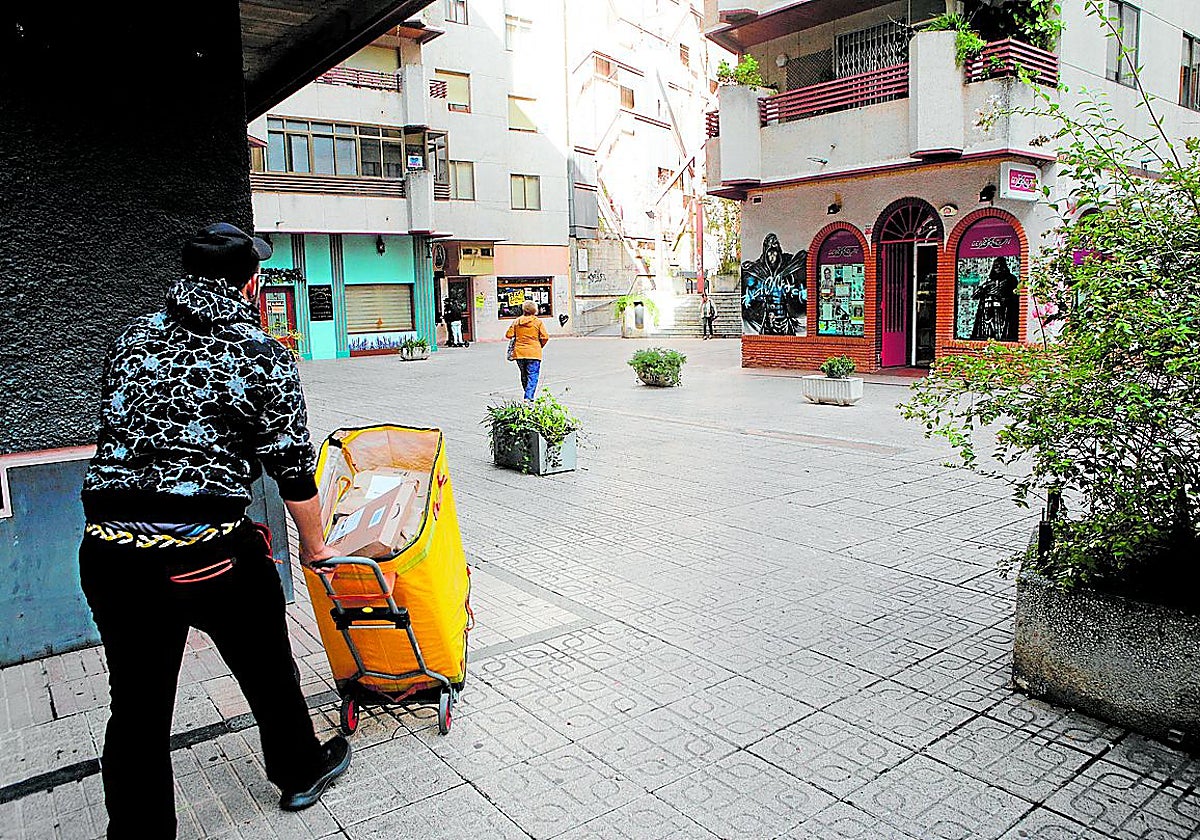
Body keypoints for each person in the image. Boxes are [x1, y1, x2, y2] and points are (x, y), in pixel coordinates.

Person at [78, 222, 351, 838]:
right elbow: (292, 469)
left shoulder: (130, 339)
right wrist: (317, 546)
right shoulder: (261, 356)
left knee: (138, 710)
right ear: (251, 282)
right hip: (204, 554)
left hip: (108, 550)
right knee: (267, 666)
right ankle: (301, 769)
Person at [505, 299, 549, 399]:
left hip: (519, 353)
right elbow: (545, 337)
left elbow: (508, 335)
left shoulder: (516, 321)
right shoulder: (538, 322)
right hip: (534, 353)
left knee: (524, 375)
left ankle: (527, 395)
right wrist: (538, 345)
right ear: (535, 310)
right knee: (533, 375)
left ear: (523, 310)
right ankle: (528, 398)